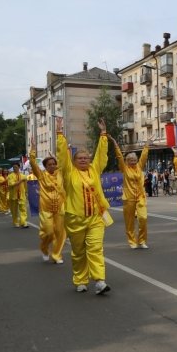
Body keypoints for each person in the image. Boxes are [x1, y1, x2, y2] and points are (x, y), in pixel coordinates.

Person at [56, 117, 111, 295]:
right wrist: (60, 135)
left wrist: (103, 135)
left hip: (96, 217)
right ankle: (80, 280)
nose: (84, 160)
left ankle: (100, 281)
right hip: (75, 219)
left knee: (95, 248)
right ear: (74, 161)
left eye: (86, 158)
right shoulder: (69, 173)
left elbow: (101, 156)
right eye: (80, 158)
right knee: (79, 252)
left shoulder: (95, 170)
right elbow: (63, 157)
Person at [30, 137, 66, 264]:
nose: (52, 166)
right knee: (49, 232)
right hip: (46, 209)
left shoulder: (60, 174)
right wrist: (33, 149)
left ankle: (57, 255)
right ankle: (44, 248)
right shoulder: (41, 175)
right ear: (45, 167)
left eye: (53, 164)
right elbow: (33, 163)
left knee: (60, 233)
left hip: (60, 208)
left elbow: (64, 160)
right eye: (49, 164)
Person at [113, 138, 151, 249]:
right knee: (129, 222)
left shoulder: (139, 167)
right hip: (128, 198)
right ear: (127, 161)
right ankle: (132, 241)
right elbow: (119, 157)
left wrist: (147, 144)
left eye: (134, 160)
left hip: (140, 197)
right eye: (131, 160)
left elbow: (144, 156)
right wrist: (116, 145)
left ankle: (142, 240)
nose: (133, 162)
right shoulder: (124, 168)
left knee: (143, 218)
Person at [7, 163, 29, 228]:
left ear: (19, 167)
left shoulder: (23, 176)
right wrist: (21, 181)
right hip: (14, 195)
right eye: (13, 167)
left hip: (22, 195)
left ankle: (23, 222)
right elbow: (11, 184)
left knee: (23, 209)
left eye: (16, 167)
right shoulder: (10, 176)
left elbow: (26, 186)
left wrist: (26, 192)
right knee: (14, 210)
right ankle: (15, 221)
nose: (14, 168)